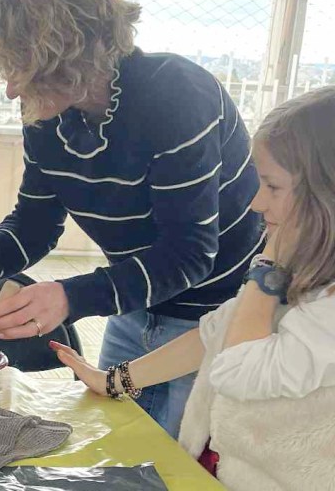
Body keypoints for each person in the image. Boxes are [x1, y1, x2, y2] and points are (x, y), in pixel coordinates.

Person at [0, 0, 263, 437]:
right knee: (122, 451)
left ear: (69, 45)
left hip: (213, 320)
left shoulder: (176, 97)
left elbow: (190, 253)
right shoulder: (46, 113)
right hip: (133, 304)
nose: (12, 87)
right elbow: (34, 225)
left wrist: (70, 297)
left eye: (22, 63)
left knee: (186, 464)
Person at [53, 86, 335, 491]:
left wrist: (267, 267)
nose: (257, 203)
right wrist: (112, 380)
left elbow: (239, 369)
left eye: (272, 187)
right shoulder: (307, 272)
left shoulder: (300, 292)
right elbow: (216, 333)